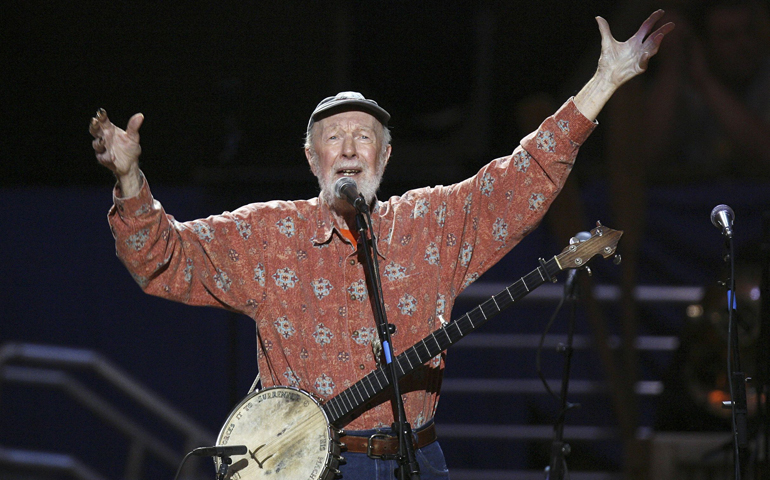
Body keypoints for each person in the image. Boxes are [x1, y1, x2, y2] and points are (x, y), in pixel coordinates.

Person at [90, 10, 672, 480]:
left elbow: (523, 177)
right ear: (312, 159)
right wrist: (129, 179)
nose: (347, 148)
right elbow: (160, 257)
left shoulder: (429, 225)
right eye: (333, 138)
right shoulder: (266, 234)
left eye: (362, 137)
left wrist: (605, 81)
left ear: (384, 156)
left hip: (414, 461)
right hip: (309, 465)